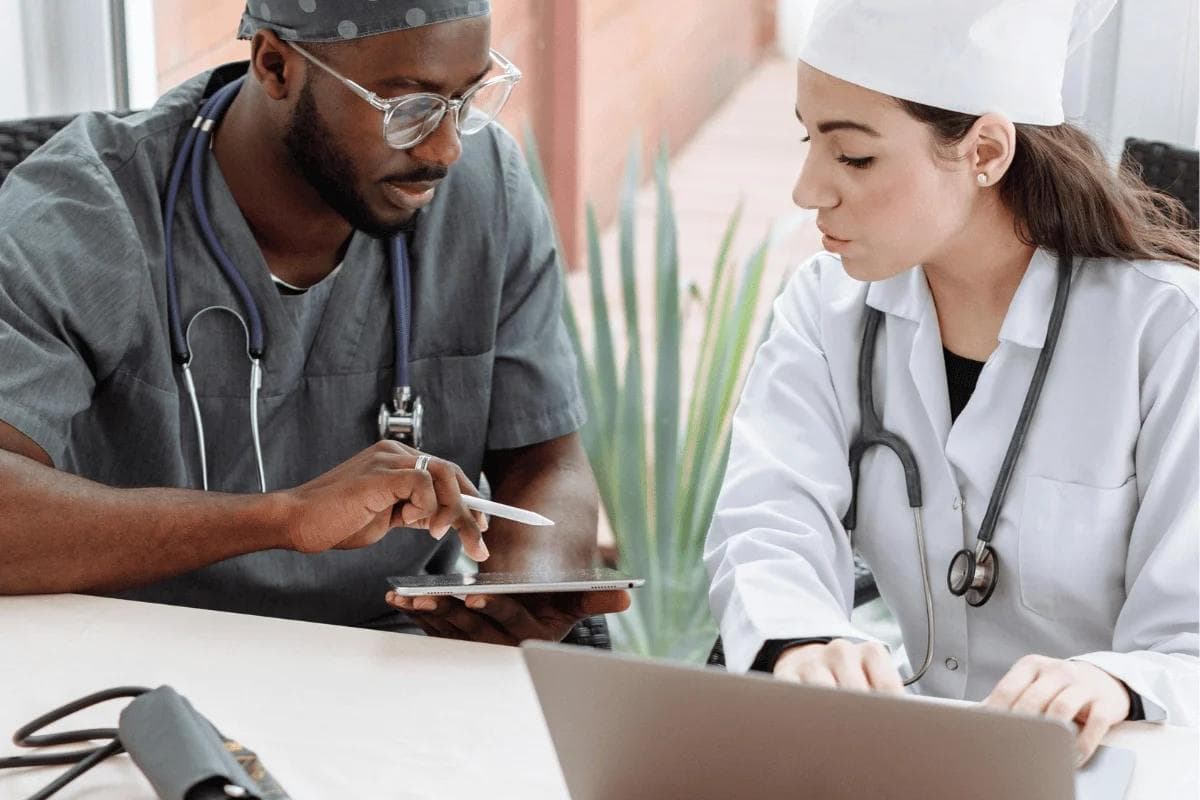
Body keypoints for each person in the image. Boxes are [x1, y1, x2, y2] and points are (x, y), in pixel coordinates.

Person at [0, 0, 628, 643]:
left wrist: (515, 602)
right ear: (275, 65)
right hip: (134, 653)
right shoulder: (87, 209)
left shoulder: (486, 188)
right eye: (406, 108)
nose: (445, 149)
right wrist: (283, 519)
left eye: (466, 100)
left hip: (392, 651)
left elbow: (546, 457)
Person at [705, 0, 1199, 765]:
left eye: (854, 157)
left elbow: (1190, 633)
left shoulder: (1169, 333)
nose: (808, 191)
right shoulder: (825, 306)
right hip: (913, 759)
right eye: (811, 140)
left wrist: (1115, 681)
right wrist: (804, 636)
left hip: (1112, 764)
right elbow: (768, 520)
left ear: (986, 151)